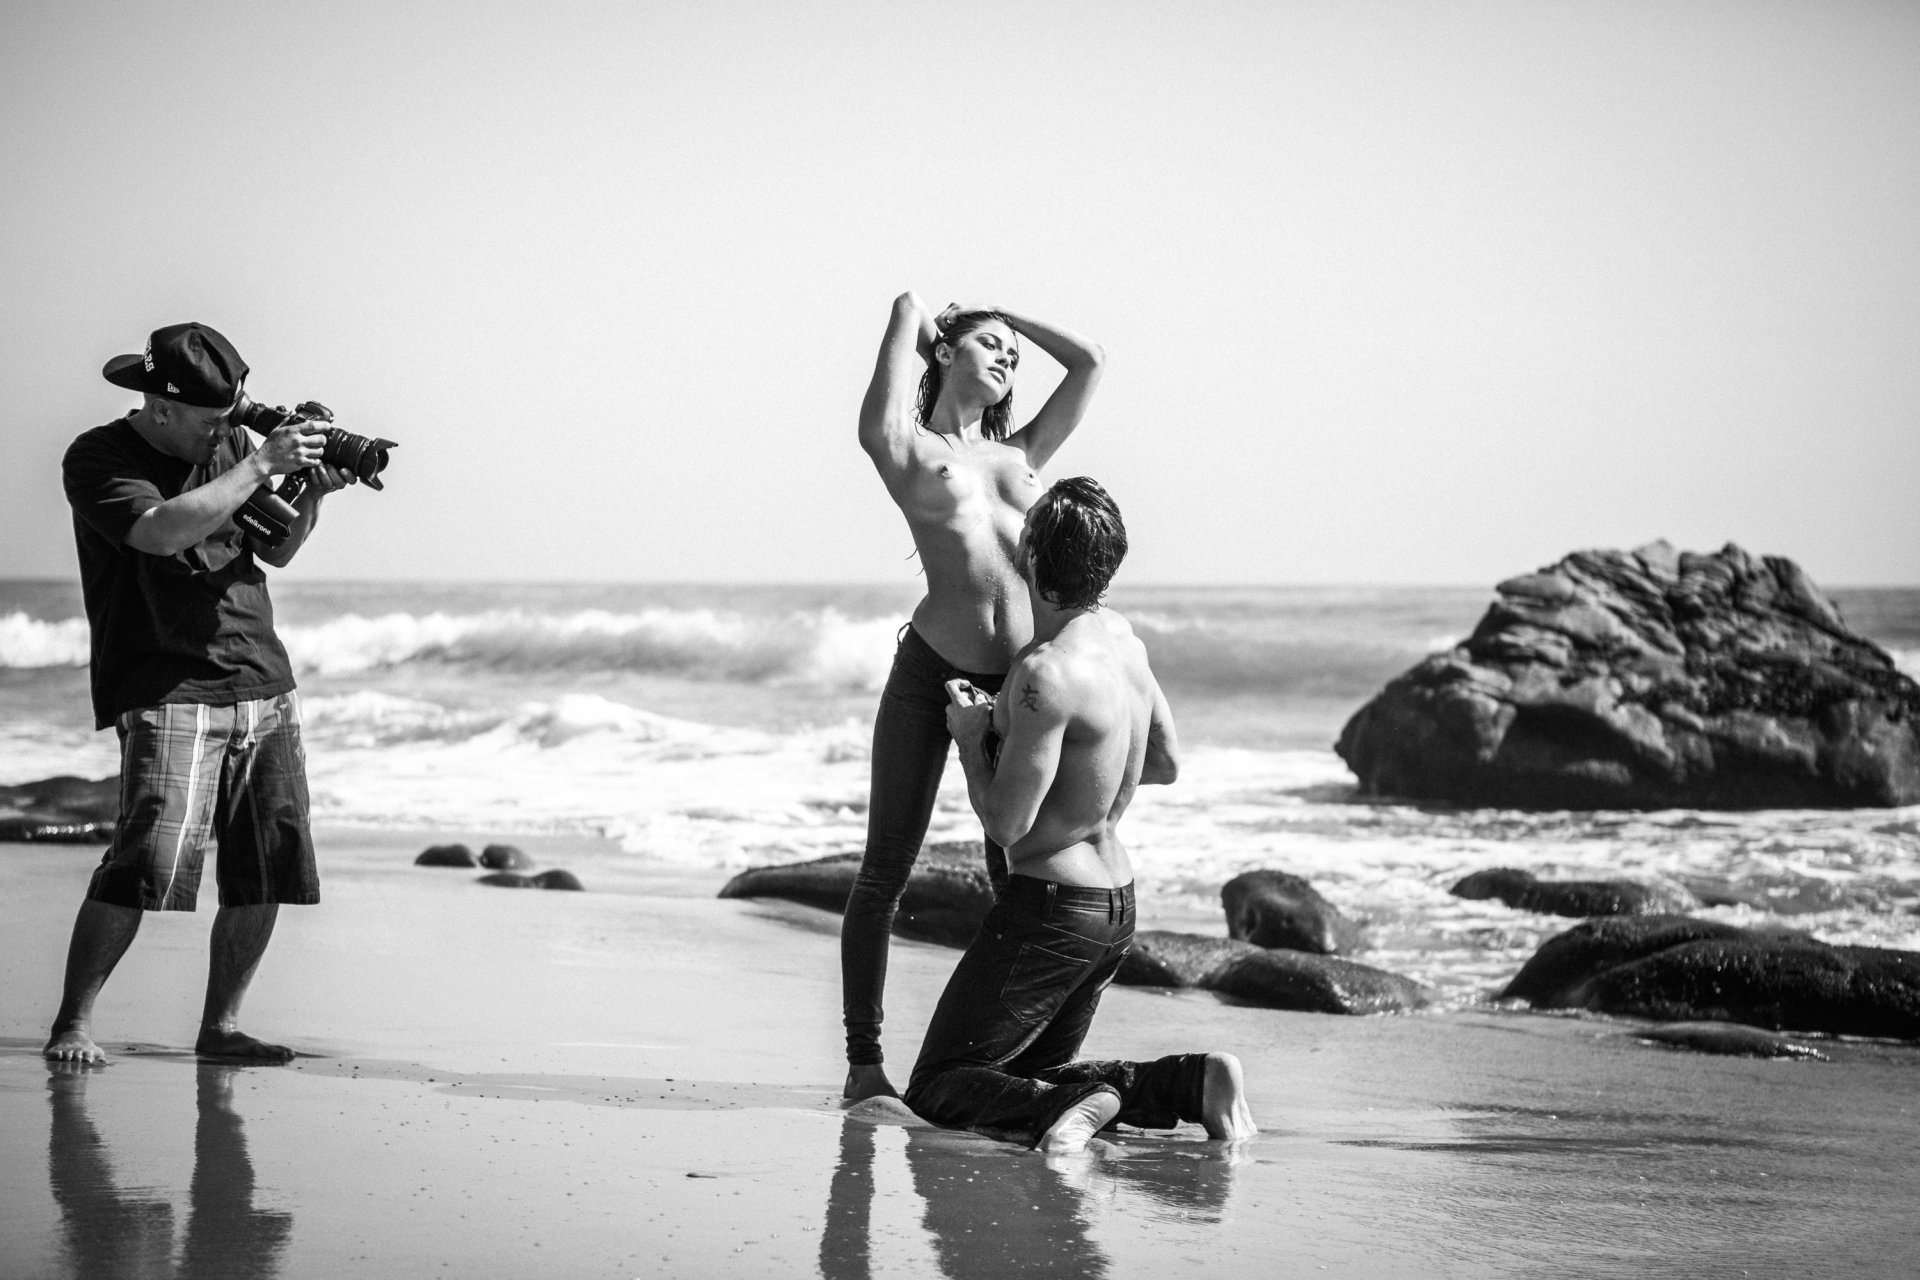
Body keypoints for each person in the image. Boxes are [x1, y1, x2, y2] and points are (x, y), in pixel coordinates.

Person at [903, 478, 1258, 1152]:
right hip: (1115, 908)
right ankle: (1192, 1083)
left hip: (1051, 907)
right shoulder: (1125, 646)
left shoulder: (1044, 674)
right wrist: (1073, 763)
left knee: (939, 1083)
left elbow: (1006, 824)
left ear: (1032, 555)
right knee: (1023, 1075)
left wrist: (973, 737)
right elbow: (1164, 763)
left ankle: (1066, 1107)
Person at [44, 322, 356, 1066]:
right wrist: (262, 463)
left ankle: (222, 1027)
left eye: (232, 416)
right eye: (214, 420)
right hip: (166, 682)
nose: (227, 430)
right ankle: (73, 1025)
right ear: (159, 407)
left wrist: (310, 492)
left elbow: (274, 548)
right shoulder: (98, 457)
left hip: (261, 677)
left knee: (266, 864)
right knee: (144, 863)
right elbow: (158, 531)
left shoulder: (229, 446)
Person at [846, 293, 1107, 1101]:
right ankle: (864, 1063)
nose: (1007, 359)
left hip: (1020, 684)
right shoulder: (907, 449)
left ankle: (1015, 1058)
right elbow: (906, 307)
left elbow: (1089, 362)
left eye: (1013, 356)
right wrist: (934, 327)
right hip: (932, 673)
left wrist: (1010, 321)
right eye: (989, 346)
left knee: (1023, 877)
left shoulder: (1022, 454)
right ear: (944, 353)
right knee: (885, 870)